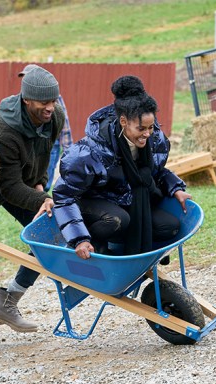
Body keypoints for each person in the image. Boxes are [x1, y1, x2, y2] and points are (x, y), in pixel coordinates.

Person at [52, 75, 192, 259]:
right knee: (117, 220)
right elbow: (64, 196)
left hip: (127, 200)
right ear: (124, 122)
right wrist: (79, 238)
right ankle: (94, 245)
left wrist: (175, 188)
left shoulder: (154, 140)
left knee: (169, 226)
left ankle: (128, 249)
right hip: (92, 204)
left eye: (151, 127)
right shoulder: (90, 152)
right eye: (141, 129)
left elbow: (156, 172)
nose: (147, 134)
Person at [0, 66, 65, 332]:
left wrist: (40, 183)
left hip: (20, 181)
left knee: (51, 234)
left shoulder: (54, 116)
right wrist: (42, 198)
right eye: (44, 102)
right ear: (26, 99)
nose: (50, 107)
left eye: (53, 100)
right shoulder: (0, 132)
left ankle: (8, 302)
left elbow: (44, 152)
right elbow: (8, 187)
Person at [17, 64, 72, 191]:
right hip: (31, 142)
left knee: (45, 181)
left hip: (49, 142)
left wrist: (68, 147)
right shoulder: (24, 98)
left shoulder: (51, 95)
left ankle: (41, 203)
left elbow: (63, 121)